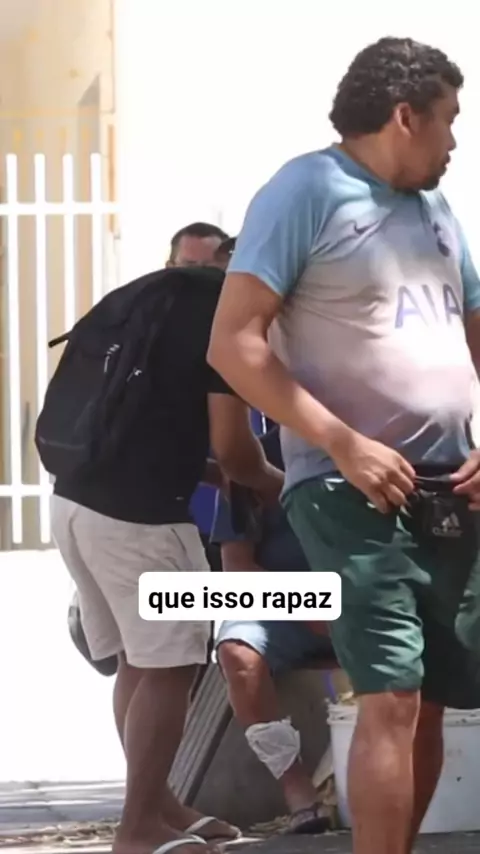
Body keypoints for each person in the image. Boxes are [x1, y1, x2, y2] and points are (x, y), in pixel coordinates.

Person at [207, 36, 480, 854]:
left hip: (452, 488)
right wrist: (343, 443)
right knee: (391, 693)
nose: (456, 140)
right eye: (449, 119)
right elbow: (234, 345)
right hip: (346, 484)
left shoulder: (434, 209)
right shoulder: (306, 189)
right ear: (405, 116)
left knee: (429, 699)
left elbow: (472, 328)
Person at [51, 263, 283, 854]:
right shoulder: (227, 318)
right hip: (140, 523)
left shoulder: (164, 298)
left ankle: (158, 806)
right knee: (169, 667)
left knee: (139, 661)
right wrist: (283, 487)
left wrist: (202, 470)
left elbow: (146, 422)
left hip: (76, 502)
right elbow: (235, 450)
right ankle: (138, 827)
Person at [212, 423, 338, 834]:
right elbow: (237, 568)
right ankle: (297, 789)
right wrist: (307, 606)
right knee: (238, 652)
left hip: (366, 601)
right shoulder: (251, 460)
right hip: (282, 608)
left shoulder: (386, 444)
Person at [167, 224, 232, 570]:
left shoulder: (241, 333)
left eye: (211, 269)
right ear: (169, 268)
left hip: (234, 519)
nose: (201, 279)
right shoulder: (153, 335)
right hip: (171, 517)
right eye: (190, 267)